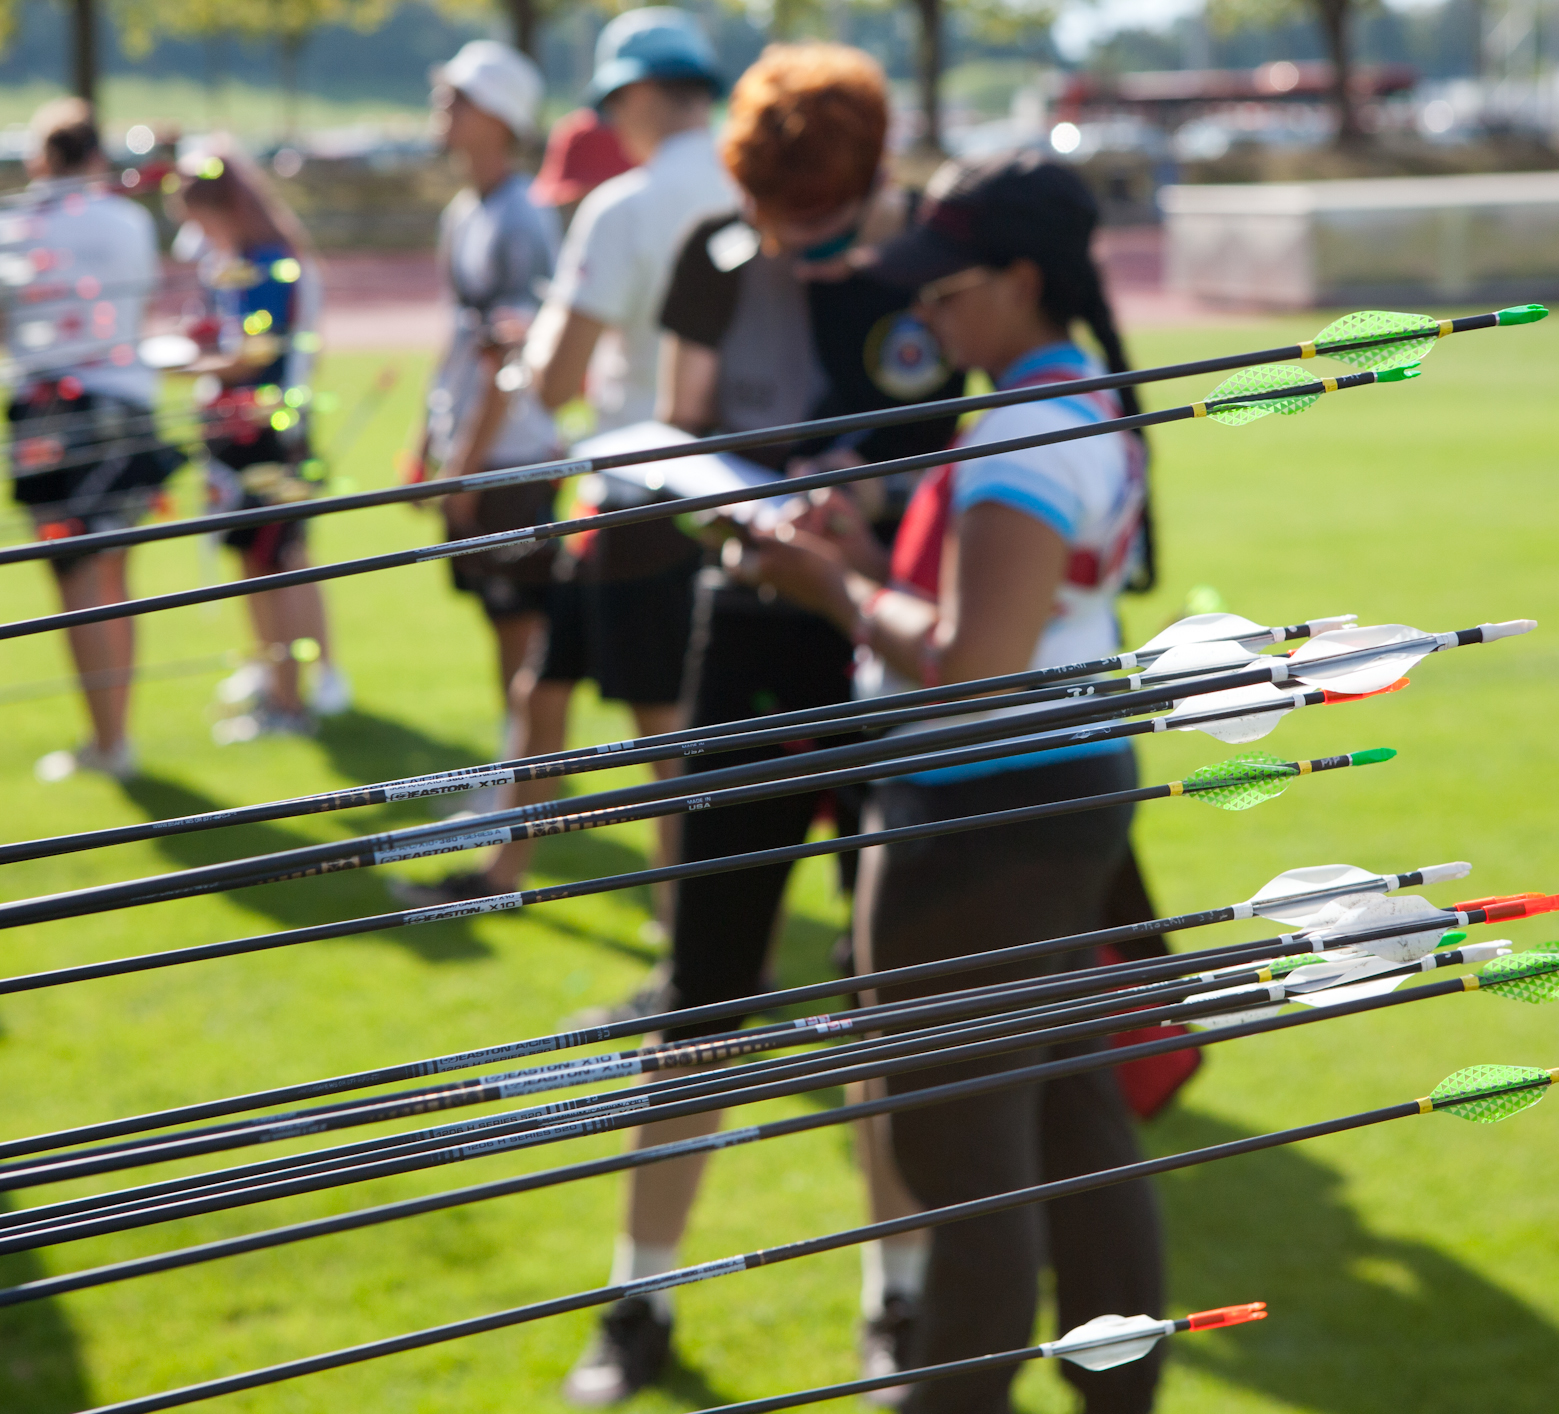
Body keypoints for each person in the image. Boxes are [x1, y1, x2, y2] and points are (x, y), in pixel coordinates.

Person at [563, 42, 970, 1407]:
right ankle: (638, 1293)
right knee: (703, 991)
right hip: (746, 640)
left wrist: (868, 523)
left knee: (884, 991)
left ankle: (897, 1297)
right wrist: (740, 509)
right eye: (773, 213)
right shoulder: (714, 258)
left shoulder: (930, 267)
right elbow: (676, 431)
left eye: (820, 216)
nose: (794, 241)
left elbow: (963, 458)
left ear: (869, 177)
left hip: (892, 648)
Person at [735, 150, 1167, 1414]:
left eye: (947, 289)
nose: (924, 314)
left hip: (981, 817)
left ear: (1023, 279)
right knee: (1074, 1125)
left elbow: (974, 669)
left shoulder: (1024, 429)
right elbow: (1006, 617)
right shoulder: (1073, 397)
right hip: (1056, 799)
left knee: (962, 1159)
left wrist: (829, 586)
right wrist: (871, 558)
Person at [393, 9, 732, 927]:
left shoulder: (624, 205)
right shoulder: (745, 186)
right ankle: (505, 871)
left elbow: (555, 379)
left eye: (612, 102)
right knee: (541, 688)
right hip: (715, 480)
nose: (608, 121)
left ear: (639, 94)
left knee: (661, 729)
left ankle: (686, 946)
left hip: (636, 483)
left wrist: (526, 346)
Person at [0, 97, 177, 784]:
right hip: (122, 406)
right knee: (112, 577)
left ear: (39, 159)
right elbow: (139, 308)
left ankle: (107, 740)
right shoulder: (128, 221)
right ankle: (114, 737)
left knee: (78, 582)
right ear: (95, 156)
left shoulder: (4, 224)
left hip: (48, 416)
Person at [171, 146, 349, 741]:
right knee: (256, 563)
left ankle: (290, 703)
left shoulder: (270, 262)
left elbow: (254, 356)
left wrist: (188, 364)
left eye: (202, 221)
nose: (201, 237)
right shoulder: (243, 258)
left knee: (275, 564)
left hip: (269, 436)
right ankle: (277, 685)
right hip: (241, 436)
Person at [405, 41, 561, 715]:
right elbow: (458, 338)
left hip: (509, 454)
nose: (441, 105)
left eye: (458, 98)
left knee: (520, 619)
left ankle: (524, 765)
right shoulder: (465, 211)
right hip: (474, 451)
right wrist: (427, 440)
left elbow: (510, 357)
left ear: (498, 115)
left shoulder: (520, 217)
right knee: (498, 617)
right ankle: (515, 756)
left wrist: (463, 466)